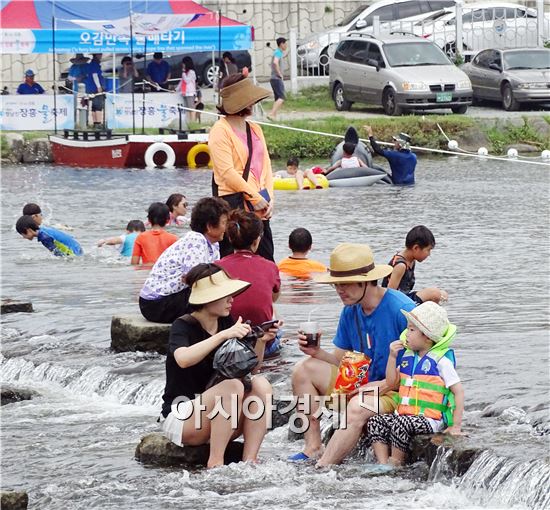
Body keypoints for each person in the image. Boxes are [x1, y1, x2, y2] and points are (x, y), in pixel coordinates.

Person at [289, 243, 416, 465]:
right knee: (303, 369)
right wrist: (317, 352)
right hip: (361, 385)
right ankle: (313, 447)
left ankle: (323, 466)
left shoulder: (401, 309)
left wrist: (384, 385)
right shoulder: (350, 311)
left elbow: (426, 366)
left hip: (398, 391)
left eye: (345, 284)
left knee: (357, 406)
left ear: (366, 281)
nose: (340, 290)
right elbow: (341, 361)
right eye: (336, 284)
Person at [160, 262, 275, 468]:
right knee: (233, 386)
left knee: (260, 384)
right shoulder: (183, 325)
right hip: (182, 416)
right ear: (207, 299)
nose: (232, 300)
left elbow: (251, 368)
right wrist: (223, 336)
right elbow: (183, 359)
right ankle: (216, 462)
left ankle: (250, 461)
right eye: (225, 295)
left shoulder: (225, 322)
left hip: (218, 416)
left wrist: (261, 341)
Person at [366, 301, 464, 466]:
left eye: (411, 330)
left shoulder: (441, 361)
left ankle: (395, 462)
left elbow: (458, 391)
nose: (406, 334)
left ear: (427, 337)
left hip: (430, 420)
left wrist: (456, 426)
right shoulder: (408, 358)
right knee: (376, 421)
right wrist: (391, 357)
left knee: (400, 423)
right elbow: (391, 382)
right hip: (406, 415)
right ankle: (382, 464)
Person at [209, 73, 275, 262]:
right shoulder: (220, 131)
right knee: (234, 262)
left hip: (261, 206)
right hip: (235, 205)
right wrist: (254, 196)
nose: (252, 103)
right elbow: (227, 172)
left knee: (265, 260)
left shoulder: (255, 128)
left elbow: (266, 166)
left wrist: (270, 198)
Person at [139, 197, 230, 324]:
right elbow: (194, 279)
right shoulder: (196, 239)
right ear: (209, 226)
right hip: (156, 303)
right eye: (224, 223)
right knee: (212, 304)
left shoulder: (213, 245)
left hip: (172, 297)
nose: (226, 228)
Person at [217, 210, 282, 356]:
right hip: (263, 344)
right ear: (256, 240)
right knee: (275, 312)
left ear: (229, 237)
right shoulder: (270, 266)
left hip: (227, 344)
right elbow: (273, 298)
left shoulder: (216, 267)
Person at [382, 225, 448, 305]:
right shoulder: (400, 266)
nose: (429, 254)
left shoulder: (411, 261)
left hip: (405, 297)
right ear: (416, 248)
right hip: (397, 302)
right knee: (434, 293)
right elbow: (390, 295)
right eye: (428, 250)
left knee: (442, 294)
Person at [15, 215, 82, 257]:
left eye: (23, 234)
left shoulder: (44, 238)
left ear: (28, 230)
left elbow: (58, 253)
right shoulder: (44, 228)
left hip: (74, 253)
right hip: (77, 247)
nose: (23, 237)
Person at [268, 37, 287, 120]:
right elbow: (275, 63)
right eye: (285, 44)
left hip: (273, 78)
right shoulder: (278, 52)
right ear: (281, 44)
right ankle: (271, 114)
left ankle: (273, 116)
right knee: (282, 97)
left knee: (277, 98)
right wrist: (279, 74)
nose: (286, 46)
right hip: (276, 78)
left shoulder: (277, 52)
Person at [84, 54, 105, 129]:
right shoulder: (95, 64)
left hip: (90, 87)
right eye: (100, 54)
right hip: (95, 88)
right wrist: (99, 86)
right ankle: (98, 123)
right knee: (98, 105)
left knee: (94, 106)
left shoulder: (92, 64)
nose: (101, 55)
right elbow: (95, 75)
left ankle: (95, 123)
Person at [176, 56, 197, 122]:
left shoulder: (191, 72)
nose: (183, 65)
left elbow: (187, 80)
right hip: (185, 93)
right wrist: (176, 89)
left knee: (191, 109)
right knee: (187, 109)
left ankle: (193, 122)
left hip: (190, 93)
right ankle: (188, 122)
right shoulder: (185, 73)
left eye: (184, 63)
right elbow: (181, 82)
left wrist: (183, 73)